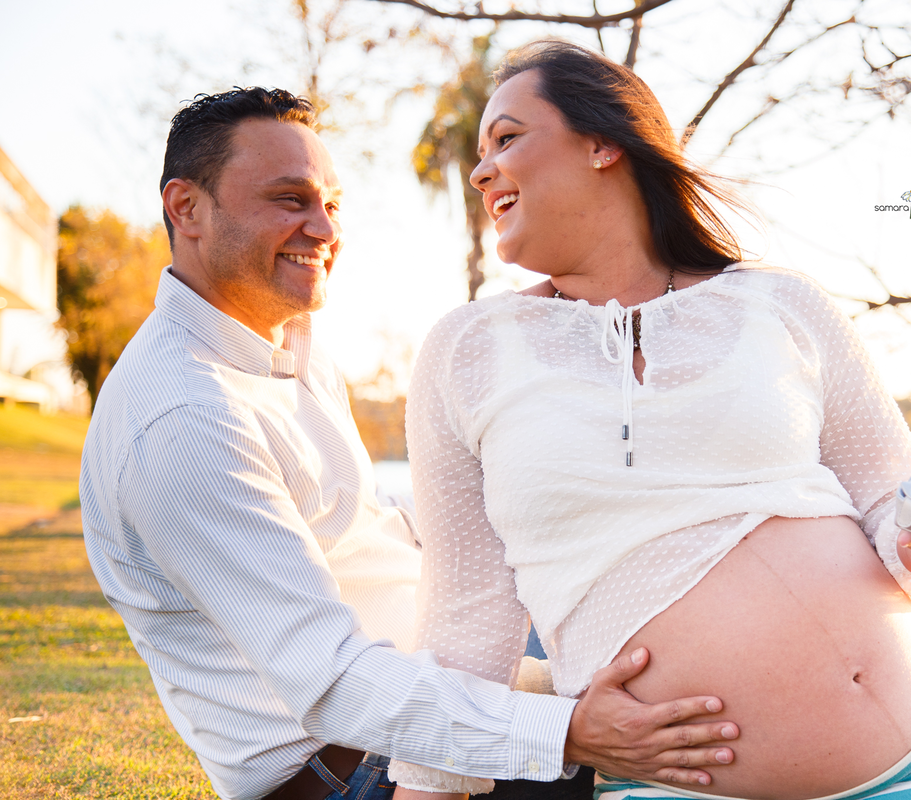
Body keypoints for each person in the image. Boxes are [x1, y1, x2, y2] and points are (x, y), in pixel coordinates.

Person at [396, 41, 911, 800]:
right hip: (685, 779)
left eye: (505, 138)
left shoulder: (778, 302)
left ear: (602, 143)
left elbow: (890, 498)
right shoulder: (466, 352)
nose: (481, 171)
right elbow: (467, 615)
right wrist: (423, 788)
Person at [79, 86, 743, 800]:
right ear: (187, 209)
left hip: (437, 674)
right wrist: (567, 732)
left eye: (331, 204)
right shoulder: (181, 422)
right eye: (289, 200)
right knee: (695, 725)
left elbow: (370, 524)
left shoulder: (287, 340)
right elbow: (334, 681)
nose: (324, 229)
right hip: (358, 767)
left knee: (691, 645)